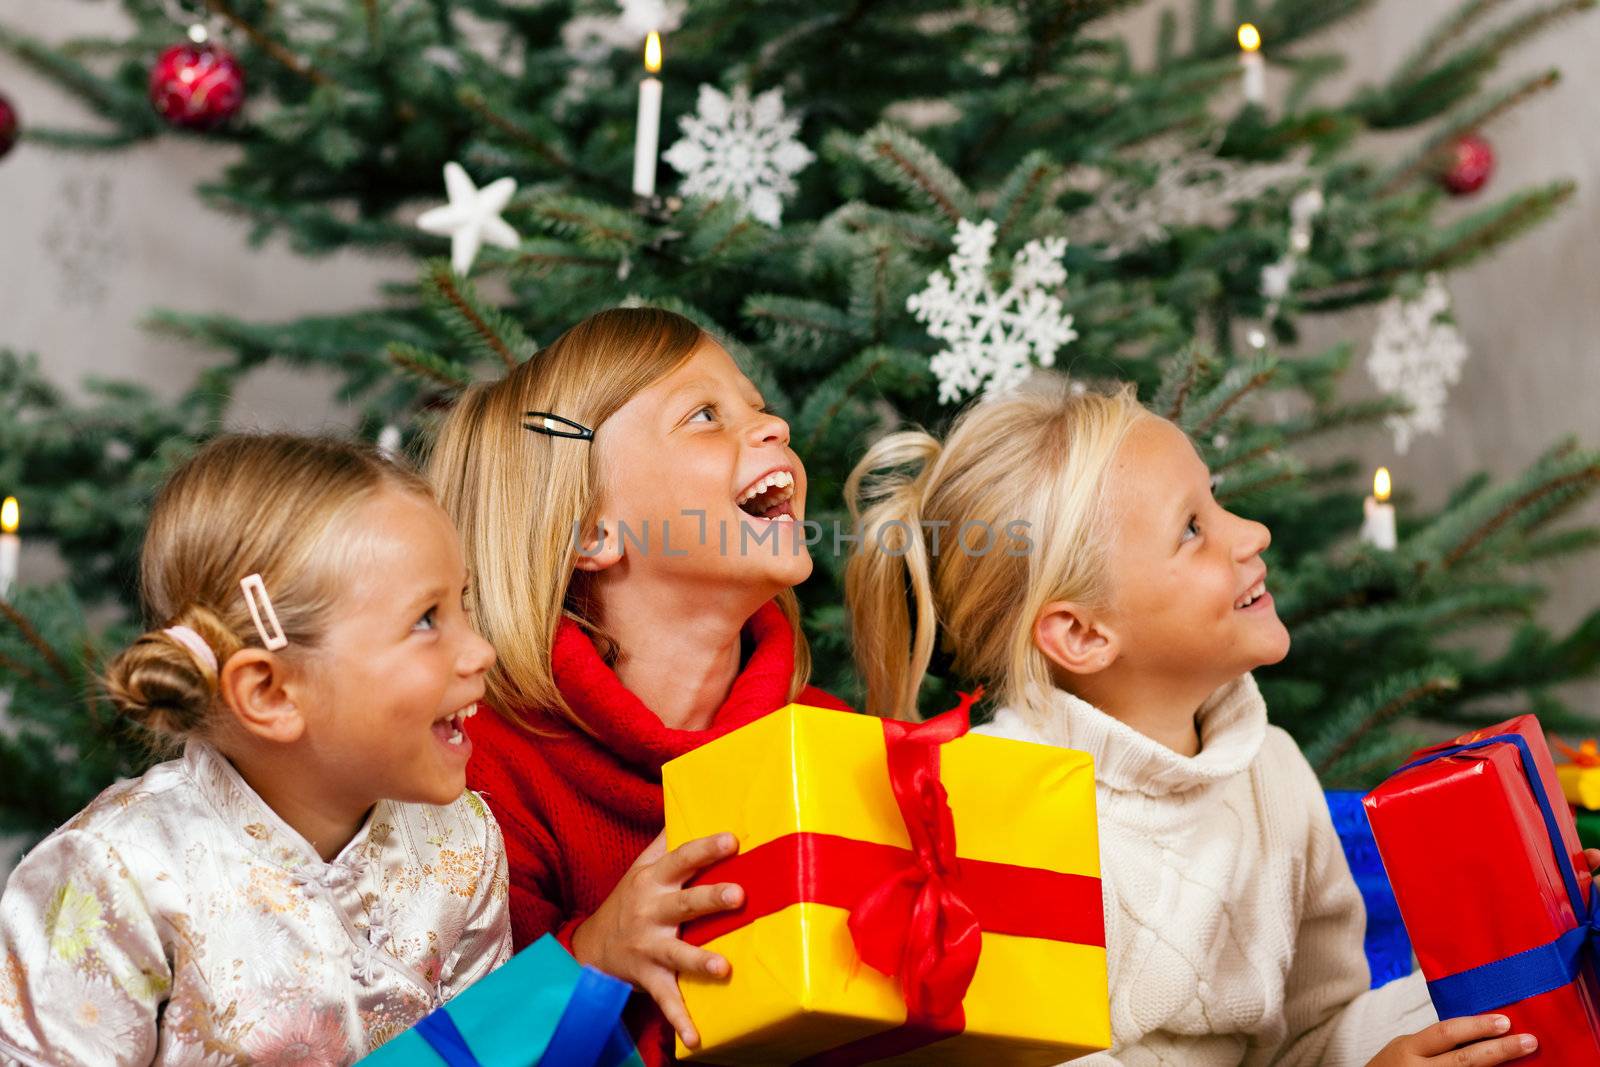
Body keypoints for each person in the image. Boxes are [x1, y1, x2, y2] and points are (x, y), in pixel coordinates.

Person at [843, 377, 1539, 1067]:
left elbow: (1315, 1036)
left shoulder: (1275, 773)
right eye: (1192, 529)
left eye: (1217, 501)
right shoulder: (1000, 810)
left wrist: (1530, 959)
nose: (1253, 534)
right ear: (1082, 633)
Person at [426, 307, 850, 1064]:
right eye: (705, 415)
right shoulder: (482, 771)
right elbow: (445, 1047)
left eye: (757, 405)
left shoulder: (829, 744)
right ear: (592, 530)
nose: (773, 425)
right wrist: (590, 954)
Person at [0, 434, 507, 1066]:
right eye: (427, 619)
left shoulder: (463, 843)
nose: (481, 650)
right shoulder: (116, 876)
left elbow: (486, 1051)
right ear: (270, 691)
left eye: (463, 601)